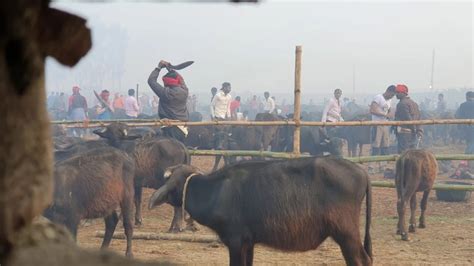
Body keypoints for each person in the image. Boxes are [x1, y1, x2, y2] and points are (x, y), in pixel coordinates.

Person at [148, 60, 189, 142]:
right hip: (183, 128)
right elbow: (180, 79)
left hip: (170, 128)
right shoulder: (185, 90)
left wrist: (158, 68)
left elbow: (151, 81)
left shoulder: (165, 93)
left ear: (166, 83)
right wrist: (170, 69)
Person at [394, 84, 423, 153]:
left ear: (404, 93)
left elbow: (407, 119)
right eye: (396, 92)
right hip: (413, 132)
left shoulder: (401, 104)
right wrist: (418, 130)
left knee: (403, 153)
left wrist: (414, 130)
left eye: (398, 92)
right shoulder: (414, 103)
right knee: (412, 153)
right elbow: (419, 117)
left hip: (405, 132)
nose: (396, 94)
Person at [370, 85, 396, 155]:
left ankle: (383, 164)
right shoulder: (378, 98)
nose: (392, 96)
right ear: (388, 91)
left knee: (385, 145)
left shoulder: (389, 100)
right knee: (376, 145)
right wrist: (385, 115)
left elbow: (390, 109)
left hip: (385, 124)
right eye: (392, 94)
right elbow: (372, 110)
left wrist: (390, 114)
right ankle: (373, 164)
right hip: (377, 124)